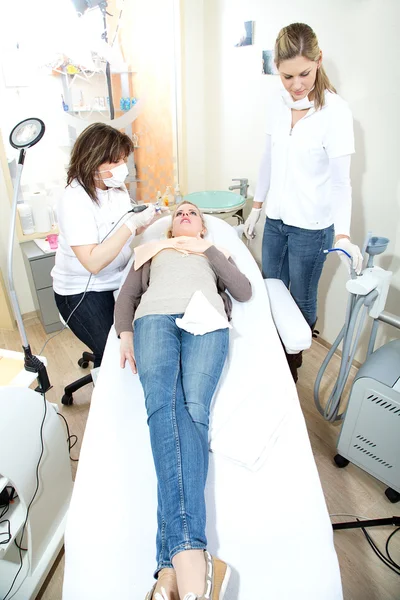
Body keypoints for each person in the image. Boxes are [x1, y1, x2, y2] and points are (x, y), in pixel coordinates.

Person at [114, 202, 252, 600]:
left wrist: (206, 248)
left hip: (207, 322)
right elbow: (126, 299)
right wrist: (125, 334)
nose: (186, 214)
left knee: (193, 412)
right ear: (170, 227)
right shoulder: (152, 251)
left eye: (194, 212)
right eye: (179, 213)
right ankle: (192, 552)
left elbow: (242, 291)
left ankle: (167, 569)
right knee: (163, 404)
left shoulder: (215, 253)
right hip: (154, 320)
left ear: (203, 226)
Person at [244, 22, 363, 382]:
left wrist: (342, 235)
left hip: (312, 227)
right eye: (287, 76)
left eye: (304, 74)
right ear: (277, 71)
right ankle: (271, 353)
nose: (296, 84)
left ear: (319, 60)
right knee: (269, 289)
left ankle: (290, 365)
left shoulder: (336, 113)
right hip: (277, 221)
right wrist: (257, 206)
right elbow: (267, 158)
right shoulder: (277, 105)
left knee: (300, 299)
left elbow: (342, 183)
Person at [52, 123, 156, 368]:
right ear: (92, 160)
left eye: (123, 160)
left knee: (141, 337)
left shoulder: (115, 191)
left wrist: (146, 221)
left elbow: (120, 232)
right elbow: (93, 262)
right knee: (112, 351)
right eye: (115, 161)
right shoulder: (74, 200)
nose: (122, 167)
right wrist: (131, 226)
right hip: (82, 292)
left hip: (118, 280)